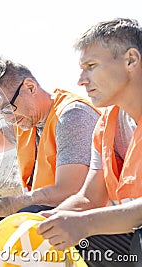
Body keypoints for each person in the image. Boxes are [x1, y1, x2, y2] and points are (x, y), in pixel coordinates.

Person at [0, 58, 101, 266]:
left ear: (29, 87)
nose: (8, 119)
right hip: (43, 217)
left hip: (89, 228)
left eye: (8, 109)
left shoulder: (72, 116)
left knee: (25, 218)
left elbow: (69, 192)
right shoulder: (23, 123)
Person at [36, 18, 142, 267]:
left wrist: (85, 224)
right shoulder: (106, 125)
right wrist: (51, 220)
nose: (81, 80)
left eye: (91, 66)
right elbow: (89, 199)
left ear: (131, 60)